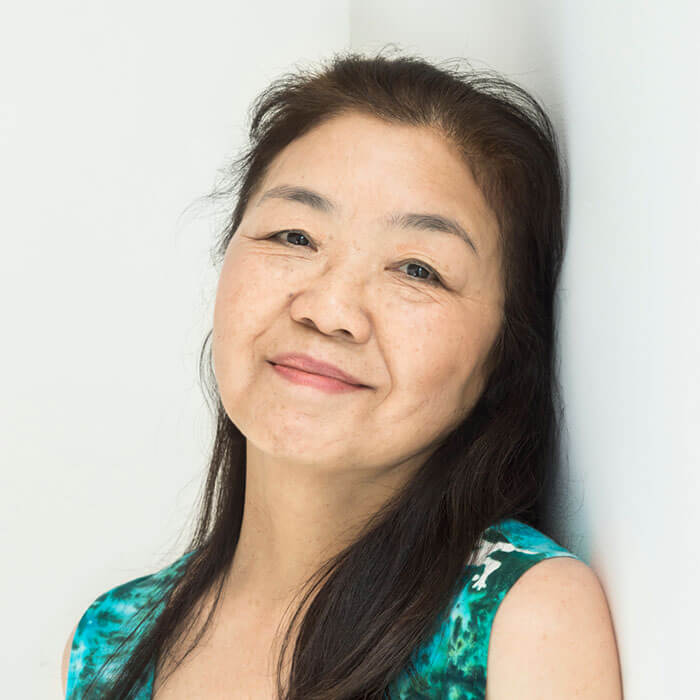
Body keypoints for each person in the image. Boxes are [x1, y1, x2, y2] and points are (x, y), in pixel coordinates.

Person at [61, 48, 623, 699]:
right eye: (295, 237)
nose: (330, 311)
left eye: (417, 269)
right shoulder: (110, 638)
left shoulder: (520, 618)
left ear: (505, 351)